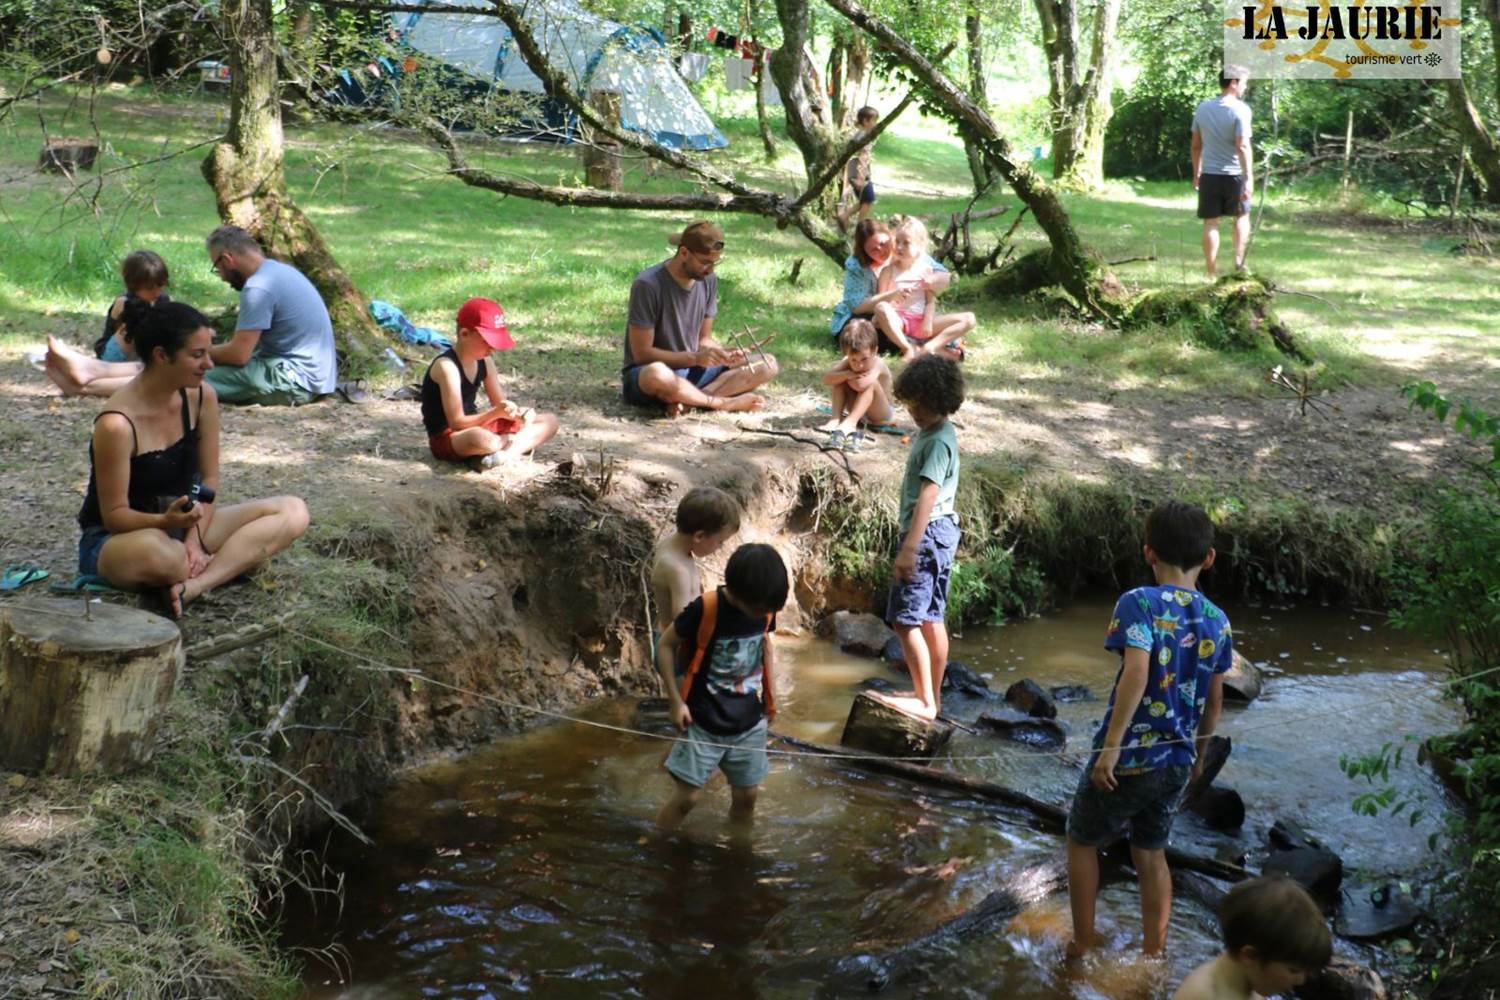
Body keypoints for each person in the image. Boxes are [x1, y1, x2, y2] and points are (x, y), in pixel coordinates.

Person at [1066, 499, 1234, 959]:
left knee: (1082, 839)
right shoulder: (1218, 621)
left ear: (1148, 553)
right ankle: (1153, 955)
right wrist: (1198, 756)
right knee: (1150, 851)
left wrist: (1111, 748)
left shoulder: (1137, 603)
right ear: (1209, 557)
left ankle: (1082, 948)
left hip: (1132, 756)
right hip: (1178, 759)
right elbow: (1215, 701)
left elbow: (1137, 674)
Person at [75, 299, 310, 618]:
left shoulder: (202, 397)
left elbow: (208, 482)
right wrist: (164, 522)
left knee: (293, 510)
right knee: (165, 557)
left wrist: (195, 539)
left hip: (183, 526)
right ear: (161, 356)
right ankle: (222, 562)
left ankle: (195, 585)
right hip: (121, 539)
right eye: (197, 355)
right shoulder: (116, 423)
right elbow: (114, 515)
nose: (209, 364)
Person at [45, 226, 339, 406]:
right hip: (303, 373)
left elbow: (238, 355)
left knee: (178, 369)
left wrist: (193, 352)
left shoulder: (259, 288)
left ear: (228, 260)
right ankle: (88, 369)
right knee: (179, 362)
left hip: (294, 380)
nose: (221, 276)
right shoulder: (278, 272)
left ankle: (84, 386)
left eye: (217, 267)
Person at [655, 542, 788, 834]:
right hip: (703, 721)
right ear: (737, 592)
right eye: (758, 608)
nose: (762, 613)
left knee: (747, 798)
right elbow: (665, 646)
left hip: (749, 723)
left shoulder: (763, 608)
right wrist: (676, 702)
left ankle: (738, 852)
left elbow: (765, 647)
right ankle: (659, 846)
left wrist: (771, 698)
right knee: (687, 798)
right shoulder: (706, 608)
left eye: (768, 609)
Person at [873, 354, 964, 722]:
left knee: (905, 621)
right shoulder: (938, 433)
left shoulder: (937, 442)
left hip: (926, 535)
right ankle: (931, 697)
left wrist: (909, 548)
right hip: (941, 533)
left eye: (921, 406)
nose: (914, 412)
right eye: (911, 404)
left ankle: (925, 701)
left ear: (941, 403)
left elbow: (928, 493)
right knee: (930, 618)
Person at [622, 221, 779, 416]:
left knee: (768, 364)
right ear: (684, 253)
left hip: (691, 370)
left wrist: (721, 353)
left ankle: (687, 400)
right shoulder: (647, 284)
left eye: (715, 263)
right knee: (657, 374)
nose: (710, 270)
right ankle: (720, 402)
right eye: (705, 262)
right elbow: (642, 354)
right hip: (651, 375)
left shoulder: (708, 281)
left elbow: (703, 339)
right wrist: (695, 358)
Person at [420, 297, 559, 471]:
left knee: (550, 421)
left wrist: (518, 414)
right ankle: (503, 446)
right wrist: (496, 415)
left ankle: (499, 456)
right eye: (486, 341)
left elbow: (501, 406)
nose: (491, 349)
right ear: (464, 334)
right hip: (450, 436)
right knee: (483, 440)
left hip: (480, 426)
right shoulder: (447, 367)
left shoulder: (485, 362)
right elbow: (456, 423)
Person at [1173, 876, 1331, 1000]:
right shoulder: (1201, 995)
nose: (1300, 980)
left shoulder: (1252, 981)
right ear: (1250, 956)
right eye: (1294, 970)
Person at [829, 219, 951, 357]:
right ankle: (918, 347)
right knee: (865, 331)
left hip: (903, 315)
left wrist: (931, 281)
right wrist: (891, 296)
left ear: (890, 236)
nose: (881, 250)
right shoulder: (857, 265)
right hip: (865, 313)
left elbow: (943, 274)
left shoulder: (905, 249)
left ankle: (921, 345)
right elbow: (856, 306)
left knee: (901, 325)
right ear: (864, 251)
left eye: (883, 243)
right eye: (873, 249)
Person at [650, 485, 742, 640]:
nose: (721, 547)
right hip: (675, 648)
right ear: (699, 536)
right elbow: (683, 621)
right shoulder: (677, 570)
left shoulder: (672, 547)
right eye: (720, 542)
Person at [880, 216, 974, 361]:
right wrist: (894, 298)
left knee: (969, 319)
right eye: (897, 242)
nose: (899, 247)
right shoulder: (888, 271)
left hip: (920, 321)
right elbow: (882, 301)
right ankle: (908, 348)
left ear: (920, 246)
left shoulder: (926, 270)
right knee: (881, 308)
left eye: (906, 243)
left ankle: (930, 348)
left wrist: (928, 321)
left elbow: (930, 301)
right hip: (899, 321)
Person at [1192, 65, 1254, 279]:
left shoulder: (1203, 108)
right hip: (1234, 175)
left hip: (1209, 174)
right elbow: (1242, 145)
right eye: (1244, 82)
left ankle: (1211, 271)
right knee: (1241, 218)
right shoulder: (1241, 110)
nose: (1245, 87)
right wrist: (1249, 178)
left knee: (1211, 223)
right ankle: (1239, 264)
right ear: (1233, 83)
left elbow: (1195, 145)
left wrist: (1196, 171)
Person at [819, 318, 894, 451]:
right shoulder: (847, 361)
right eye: (853, 359)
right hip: (859, 408)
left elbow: (861, 385)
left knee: (871, 384)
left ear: (875, 351)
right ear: (846, 354)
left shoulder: (878, 364)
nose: (859, 365)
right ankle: (835, 418)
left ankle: (850, 422)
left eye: (864, 359)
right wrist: (846, 374)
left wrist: (849, 375)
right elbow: (826, 379)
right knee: (839, 379)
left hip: (879, 414)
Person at [95, 250, 171, 362]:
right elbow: (120, 335)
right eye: (150, 288)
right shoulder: (124, 303)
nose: (157, 292)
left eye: (160, 286)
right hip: (117, 355)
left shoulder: (164, 301)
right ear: (133, 285)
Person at [837, 105, 880, 230]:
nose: (875, 124)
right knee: (868, 201)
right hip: (859, 171)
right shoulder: (863, 137)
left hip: (853, 170)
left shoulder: (858, 134)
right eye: (874, 120)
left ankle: (845, 216)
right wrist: (861, 177)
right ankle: (859, 227)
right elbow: (862, 155)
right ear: (866, 121)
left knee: (865, 200)